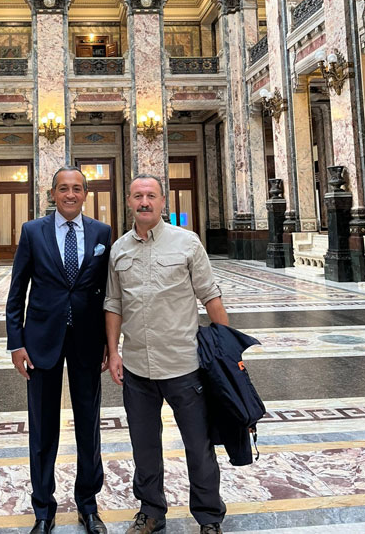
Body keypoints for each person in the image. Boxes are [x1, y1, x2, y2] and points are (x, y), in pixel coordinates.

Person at [104, 174, 228, 534]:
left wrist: (227, 352)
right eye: (138, 196)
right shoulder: (119, 249)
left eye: (151, 195)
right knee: (144, 447)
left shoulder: (187, 243)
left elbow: (210, 296)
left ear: (163, 201)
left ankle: (209, 516)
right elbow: (113, 303)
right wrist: (113, 352)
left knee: (198, 447)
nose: (144, 202)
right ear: (129, 201)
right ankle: (151, 511)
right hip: (137, 368)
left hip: (183, 365)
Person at [6, 166, 112, 534]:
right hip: (40, 341)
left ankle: (88, 505)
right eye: (63, 188)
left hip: (87, 341)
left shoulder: (102, 233)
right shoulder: (32, 231)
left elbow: (107, 293)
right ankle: (43, 509)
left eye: (77, 188)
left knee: (89, 425)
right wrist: (16, 342)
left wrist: (109, 343)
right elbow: (17, 292)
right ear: (52, 194)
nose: (70, 194)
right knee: (43, 426)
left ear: (86, 194)